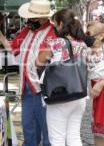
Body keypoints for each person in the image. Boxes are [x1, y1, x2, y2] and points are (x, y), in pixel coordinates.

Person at [0, 0, 55, 146]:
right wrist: (0, 36)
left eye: (31, 16)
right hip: (26, 86)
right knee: (28, 127)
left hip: (43, 88)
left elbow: (47, 59)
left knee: (47, 129)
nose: (28, 19)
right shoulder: (27, 30)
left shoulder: (52, 32)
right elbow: (13, 48)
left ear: (42, 17)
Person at [35, 9, 88, 146]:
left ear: (60, 24)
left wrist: (46, 47)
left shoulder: (56, 43)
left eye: (55, 24)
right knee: (74, 137)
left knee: (57, 139)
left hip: (61, 95)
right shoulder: (82, 43)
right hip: (79, 94)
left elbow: (39, 62)